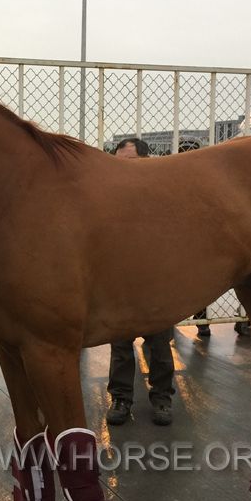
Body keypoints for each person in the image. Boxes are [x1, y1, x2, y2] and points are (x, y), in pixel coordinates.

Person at [106, 138, 175, 426]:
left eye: (131, 164)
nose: (124, 172)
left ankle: (162, 398)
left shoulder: (163, 195)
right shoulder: (108, 198)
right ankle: (121, 398)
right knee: (120, 346)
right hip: (120, 282)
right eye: (118, 165)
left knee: (159, 345)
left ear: (147, 162)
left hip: (155, 283)